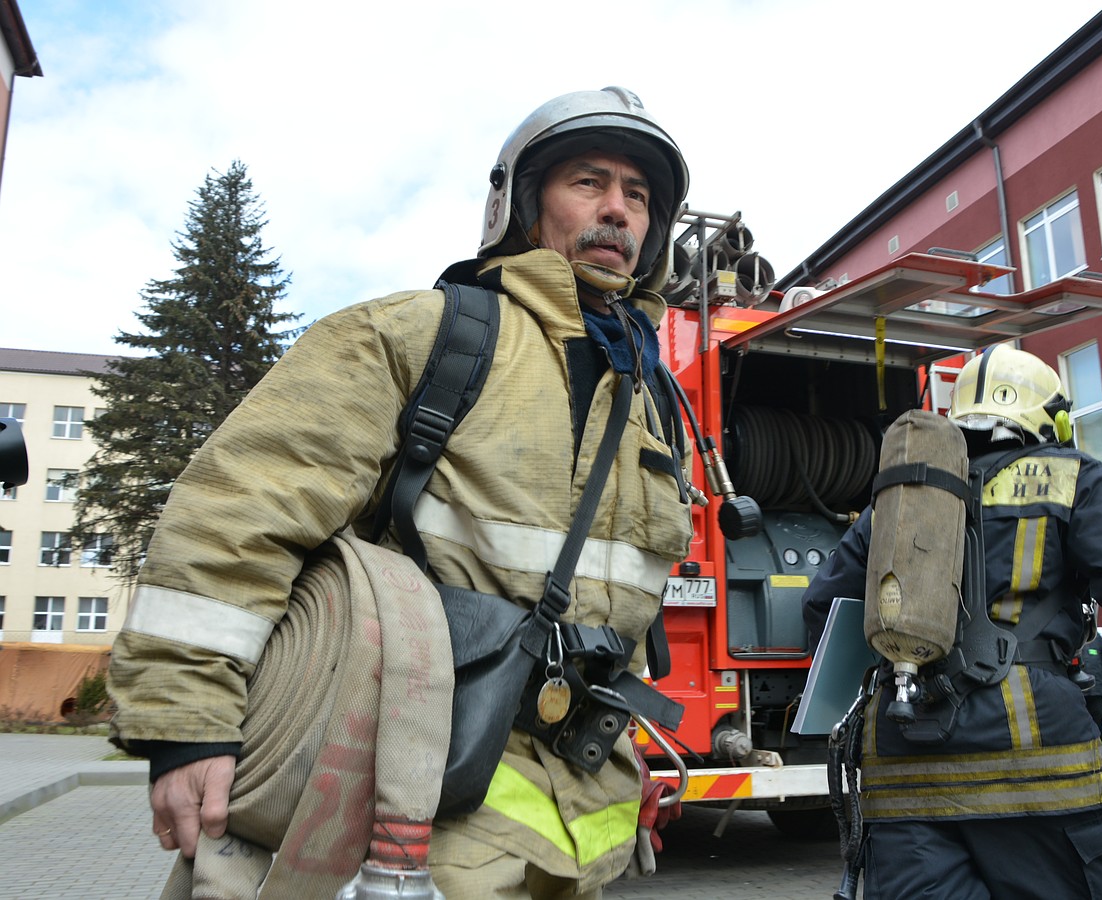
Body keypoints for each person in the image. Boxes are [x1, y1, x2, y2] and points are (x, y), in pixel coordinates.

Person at [106, 86, 695, 898]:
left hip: (583, 825)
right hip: (407, 811)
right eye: (589, 183)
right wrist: (185, 725)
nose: (618, 211)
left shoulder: (653, 403)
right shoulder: (427, 337)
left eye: (638, 197)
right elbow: (239, 513)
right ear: (524, 208)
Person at [802, 344, 1102, 899]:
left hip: (902, 777)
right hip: (1038, 771)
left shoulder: (898, 500)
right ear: (1054, 418)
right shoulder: (1070, 476)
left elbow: (825, 611)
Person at [1080, 631, 1102, 736]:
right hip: (1077, 689)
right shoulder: (1072, 634)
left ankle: (1099, 744)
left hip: (1096, 688)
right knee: (1081, 720)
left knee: (1097, 716)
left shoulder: (1096, 638)